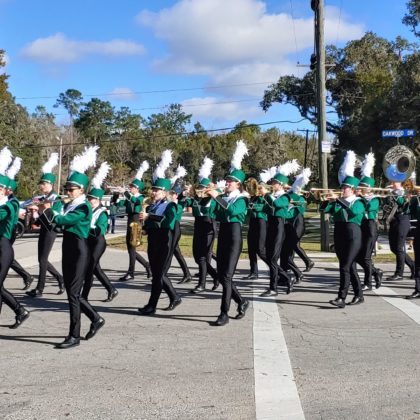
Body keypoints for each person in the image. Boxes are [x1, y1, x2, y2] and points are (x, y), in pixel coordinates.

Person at [49, 146, 104, 349]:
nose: (68, 192)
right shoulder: (70, 203)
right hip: (68, 248)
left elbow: (63, 220)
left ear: (81, 190)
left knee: (73, 294)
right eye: (66, 189)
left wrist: (55, 208)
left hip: (80, 250)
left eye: (71, 189)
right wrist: (55, 206)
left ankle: (74, 335)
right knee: (73, 293)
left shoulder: (83, 206)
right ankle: (95, 318)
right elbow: (55, 220)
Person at [206, 140, 250, 326]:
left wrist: (217, 197)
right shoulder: (224, 197)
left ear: (238, 184)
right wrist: (208, 200)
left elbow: (232, 212)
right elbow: (213, 214)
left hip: (234, 236)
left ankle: (224, 313)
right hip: (223, 234)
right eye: (228, 180)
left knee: (227, 276)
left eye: (230, 181)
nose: (227, 183)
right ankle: (241, 300)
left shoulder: (243, 198)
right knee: (222, 274)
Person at [138, 150, 182, 315]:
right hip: (154, 240)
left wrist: (150, 216)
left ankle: (152, 305)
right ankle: (174, 297)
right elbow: (151, 223)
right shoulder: (151, 205)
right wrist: (144, 228)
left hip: (165, 240)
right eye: (153, 190)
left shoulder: (171, 205)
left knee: (158, 274)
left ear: (164, 192)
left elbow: (168, 222)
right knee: (157, 273)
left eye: (157, 190)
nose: (153, 192)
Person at [321, 151, 364, 308]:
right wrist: (326, 202)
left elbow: (354, 213)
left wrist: (338, 199)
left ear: (352, 189)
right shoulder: (339, 202)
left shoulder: (358, 202)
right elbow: (325, 210)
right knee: (349, 266)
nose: (342, 189)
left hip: (353, 234)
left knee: (345, 266)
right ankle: (359, 295)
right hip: (339, 233)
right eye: (342, 187)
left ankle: (341, 297)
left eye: (345, 188)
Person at [26, 152, 65, 297]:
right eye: (41, 184)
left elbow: (54, 216)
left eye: (43, 184)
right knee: (41, 259)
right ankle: (60, 279)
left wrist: (42, 208)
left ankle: (40, 289)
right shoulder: (43, 197)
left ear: (50, 184)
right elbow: (41, 216)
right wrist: (33, 216)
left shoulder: (56, 198)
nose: (41, 186)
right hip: (44, 228)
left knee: (42, 259)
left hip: (51, 230)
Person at [179, 157, 218, 293]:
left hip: (209, 226)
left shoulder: (213, 200)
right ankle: (216, 277)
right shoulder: (195, 199)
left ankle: (202, 284)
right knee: (197, 256)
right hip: (198, 225)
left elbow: (216, 210)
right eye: (199, 188)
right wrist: (183, 194)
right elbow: (183, 203)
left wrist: (211, 195)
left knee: (203, 257)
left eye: (203, 188)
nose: (200, 190)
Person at [0, 149, 30, 329]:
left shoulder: (11, 205)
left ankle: (20, 310)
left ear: (5, 190)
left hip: (4, 249)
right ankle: (20, 311)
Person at [260, 161, 299, 296]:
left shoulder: (285, 196)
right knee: (269, 256)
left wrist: (266, 195)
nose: (272, 184)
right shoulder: (272, 196)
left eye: (274, 183)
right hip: (270, 225)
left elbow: (276, 204)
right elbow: (265, 209)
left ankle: (275, 286)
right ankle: (281, 282)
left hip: (279, 227)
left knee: (272, 259)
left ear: (281, 184)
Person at [84, 162, 119, 303]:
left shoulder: (102, 213)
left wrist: (86, 227)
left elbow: (99, 230)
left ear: (98, 200)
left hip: (98, 242)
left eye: (92, 199)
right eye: (89, 198)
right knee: (95, 269)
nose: (90, 201)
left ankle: (84, 296)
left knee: (90, 268)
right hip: (89, 242)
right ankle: (111, 289)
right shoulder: (88, 210)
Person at [117, 161, 151, 281]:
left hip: (136, 224)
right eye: (130, 186)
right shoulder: (130, 197)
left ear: (137, 189)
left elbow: (136, 202)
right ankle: (147, 266)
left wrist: (125, 193)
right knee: (130, 249)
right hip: (129, 223)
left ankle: (131, 272)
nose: (130, 188)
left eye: (132, 187)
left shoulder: (141, 198)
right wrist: (117, 195)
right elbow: (119, 204)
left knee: (132, 249)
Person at [355, 153, 383, 290]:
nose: (360, 188)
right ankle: (376, 272)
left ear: (369, 187)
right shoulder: (360, 198)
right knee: (358, 256)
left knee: (366, 257)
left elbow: (368, 208)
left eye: (363, 186)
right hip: (361, 227)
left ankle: (368, 283)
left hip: (371, 227)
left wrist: (361, 197)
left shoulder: (375, 199)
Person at [281, 168, 312, 285]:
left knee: (289, 249)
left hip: (297, 225)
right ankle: (285, 275)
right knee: (286, 252)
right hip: (287, 226)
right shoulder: (288, 195)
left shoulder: (301, 198)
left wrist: (291, 197)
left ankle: (298, 271)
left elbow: (300, 210)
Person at [385, 180, 415, 280]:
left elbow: (402, 203)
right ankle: (413, 266)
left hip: (403, 220)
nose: (392, 182)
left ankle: (399, 273)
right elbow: (386, 206)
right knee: (393, 248)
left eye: (395, 181)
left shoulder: (406, 192)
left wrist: (394, 192)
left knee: (398, 248)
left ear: (400, 182)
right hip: (394, 221)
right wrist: (388, 194)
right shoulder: (392, 192)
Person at [244, 178, 268, 280]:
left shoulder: (262, 197)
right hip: (253, 222)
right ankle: (253, 272)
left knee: (260, 249)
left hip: (261, 222)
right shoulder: (251, 198)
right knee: (251, 249)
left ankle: (275, 267)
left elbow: (265, 206)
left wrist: (254, 206)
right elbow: (248, 212)